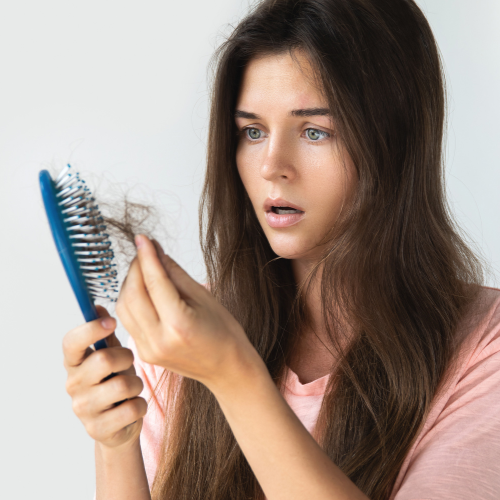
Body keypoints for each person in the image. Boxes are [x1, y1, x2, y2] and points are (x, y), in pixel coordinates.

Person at [62, 1, 500, 499]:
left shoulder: (484, 348)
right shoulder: (186, 341)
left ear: (395, 142)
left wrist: (233, 373)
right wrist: (115, 443)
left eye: (314, 131)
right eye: (253, 131)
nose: (272, 166)